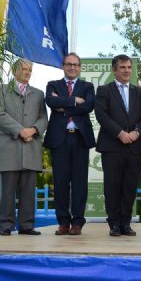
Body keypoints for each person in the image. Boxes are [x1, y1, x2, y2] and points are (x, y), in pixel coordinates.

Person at [94, 54, 141, 237]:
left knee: (130, 186)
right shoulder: (104, 90)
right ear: (114, 70)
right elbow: (101, 115)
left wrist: (136, 132)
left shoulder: (139, 92)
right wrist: (120, 133)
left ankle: (126, 223)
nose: (126, 70)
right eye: (122, 67)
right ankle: (114, 224)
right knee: (112, 186)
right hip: (112, 146)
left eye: (128, 67)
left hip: (134, 146)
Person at [0, 58, 48, 236]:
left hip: (31, 148)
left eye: (30, 69)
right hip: (9, 148)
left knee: (28, 191)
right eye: (24, 69)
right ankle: (6, 226)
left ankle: (27, 225)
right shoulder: (2, 89)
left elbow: (43, 118)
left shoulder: (39, 94)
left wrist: (33, 130)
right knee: (7, 190)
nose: (27, 72)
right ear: (15, 70)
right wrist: (20, 131)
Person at [44, 53, 96, 236]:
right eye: (69, 64)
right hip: (60, 139)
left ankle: (77, 222)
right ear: (63, 66)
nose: (72, 67)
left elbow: (88, 106)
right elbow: (50, 101)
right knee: (60, 182)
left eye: (75, 65)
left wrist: (63, 105)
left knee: (80, 183)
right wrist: (74, 101)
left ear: (80, 67)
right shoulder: (53, 85)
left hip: (80, 138)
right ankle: (63, 222)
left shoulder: (87, 86)